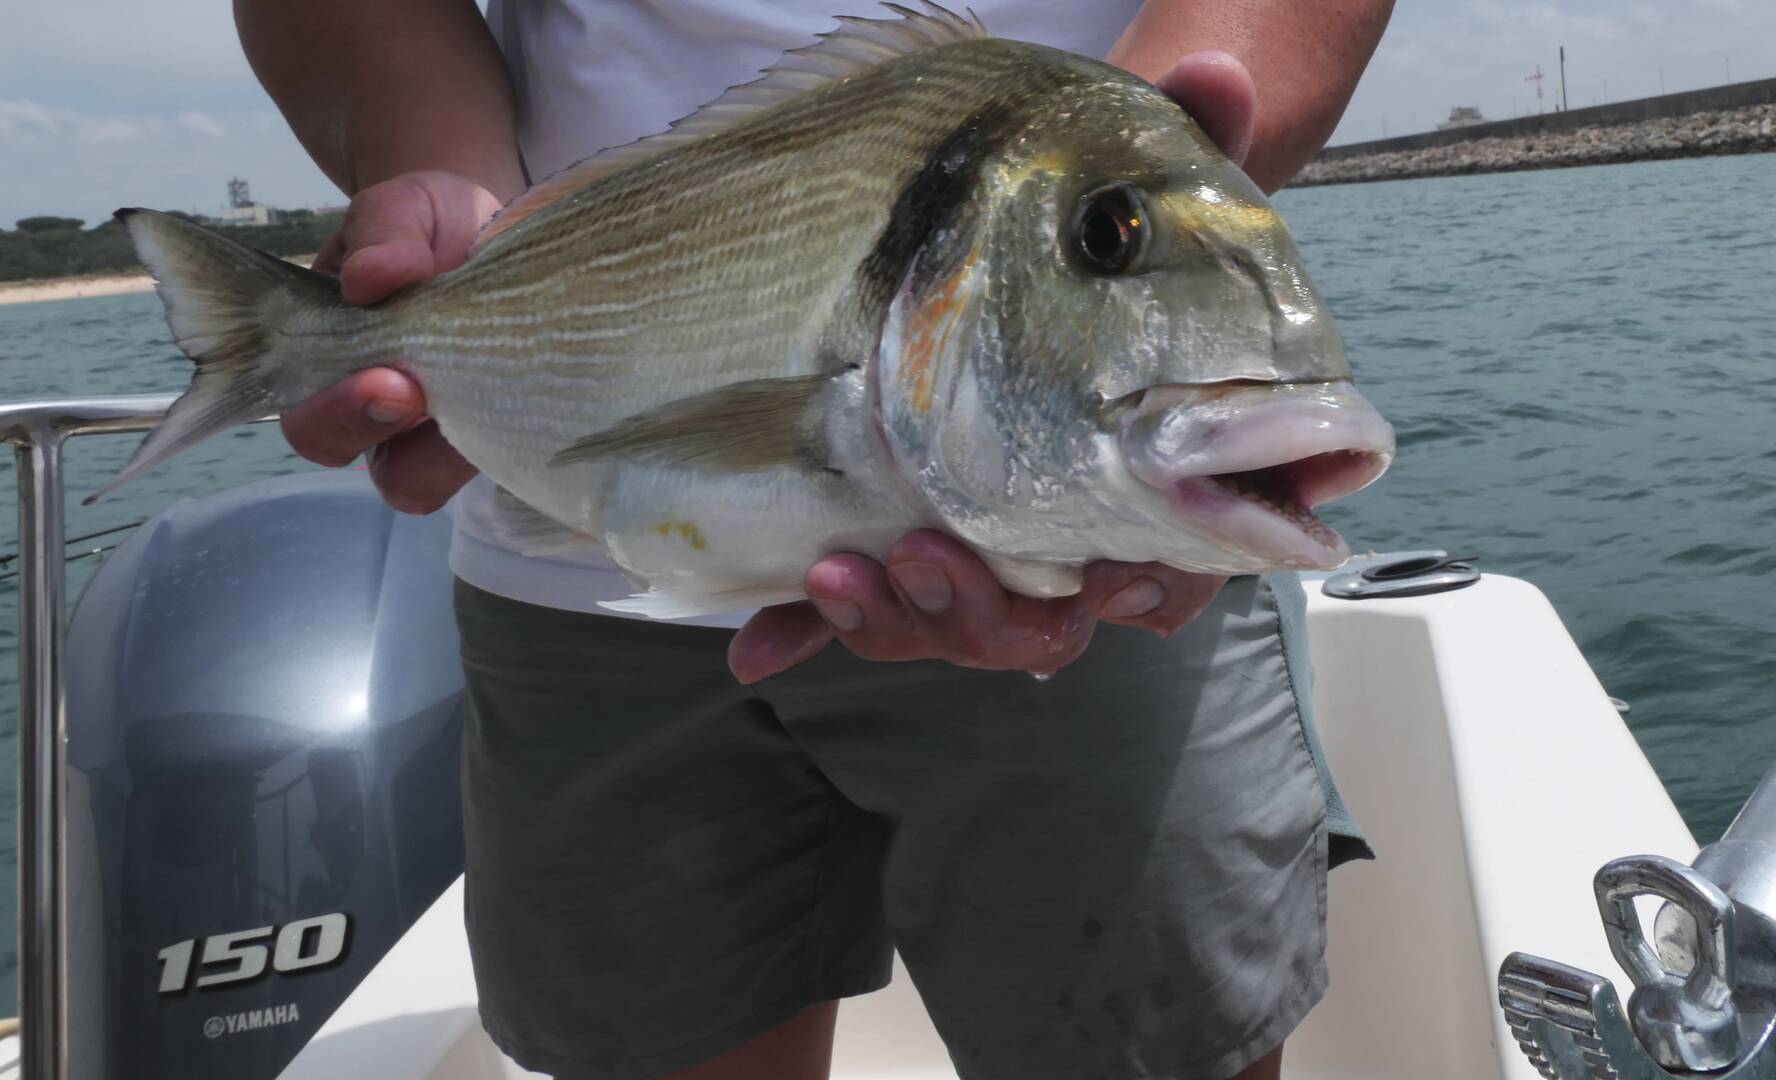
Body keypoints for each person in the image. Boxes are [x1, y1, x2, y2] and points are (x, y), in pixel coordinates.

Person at [232, 1, 1393, 1076]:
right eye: (1111, 237)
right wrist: (443, 191)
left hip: (1102, 568)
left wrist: (1127, 157)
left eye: (1105, 235)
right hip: (571, 581)